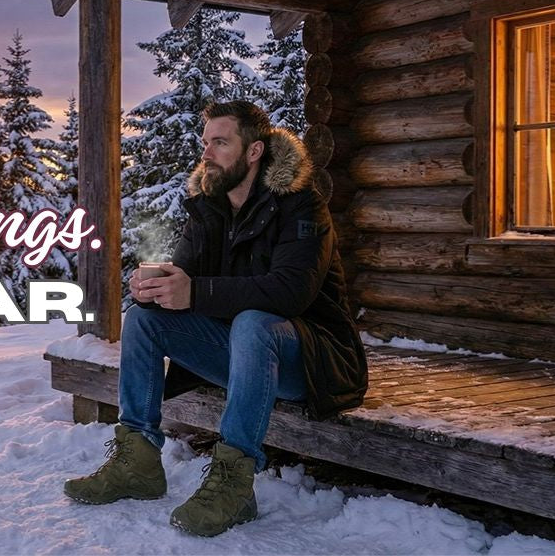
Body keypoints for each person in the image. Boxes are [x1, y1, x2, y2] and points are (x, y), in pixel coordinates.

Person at [63, 100, 368, 537]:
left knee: (254, 322)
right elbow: (186, 283)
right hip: (240, 353)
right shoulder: (208, 208)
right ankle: (138, 461)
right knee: (144, 319)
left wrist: (195, 291)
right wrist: (158, 289)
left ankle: (234, 483)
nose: (207, 153)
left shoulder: (301, 207)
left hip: (312, 361)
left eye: (220, 143)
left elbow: (289, 292)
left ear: (254, 151)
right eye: (205, 142)